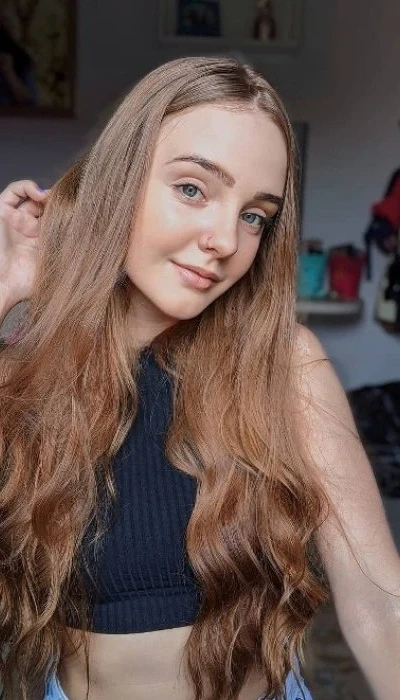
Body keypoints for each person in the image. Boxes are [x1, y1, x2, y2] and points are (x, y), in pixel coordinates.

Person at [0, 56, 399, 700]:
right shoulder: (26, 373)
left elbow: (379, 602)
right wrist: (5, 287)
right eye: (192, 189)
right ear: (119, 181)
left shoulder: (285, 364)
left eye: (255, 215)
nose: (226, 240)